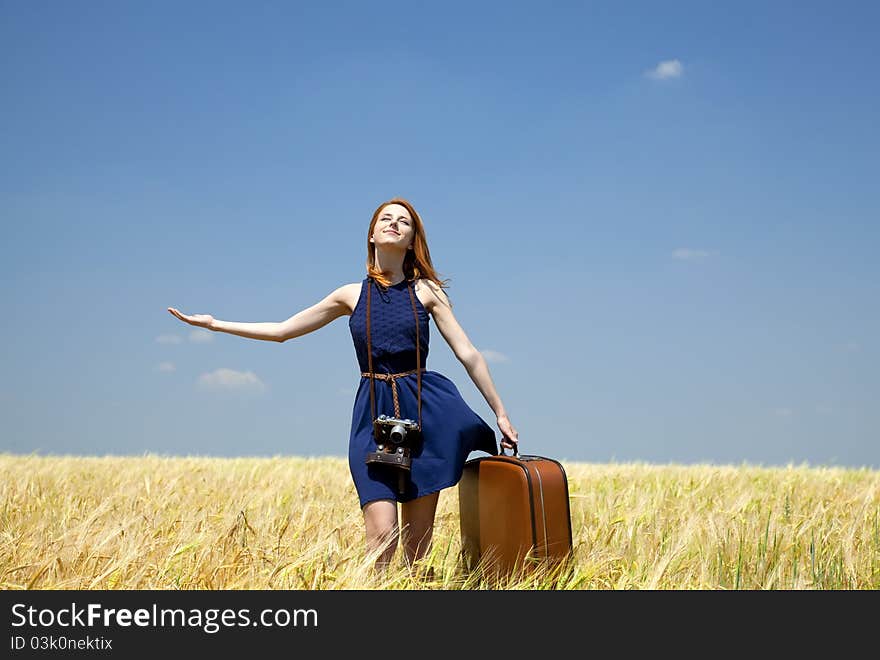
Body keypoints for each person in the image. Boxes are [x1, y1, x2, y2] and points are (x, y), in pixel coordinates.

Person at [167, 197, 518, 572]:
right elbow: (283, 331)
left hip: (423, 414)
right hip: (372, 417)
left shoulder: (426, 293)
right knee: (382, 540)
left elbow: (468, 353)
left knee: (417, 551)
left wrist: (500, 412)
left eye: (404, 221)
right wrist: (215, 324)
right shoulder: (350, 295)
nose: (394, 224)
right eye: (386, 218)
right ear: (371, 234)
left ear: (413, 239)